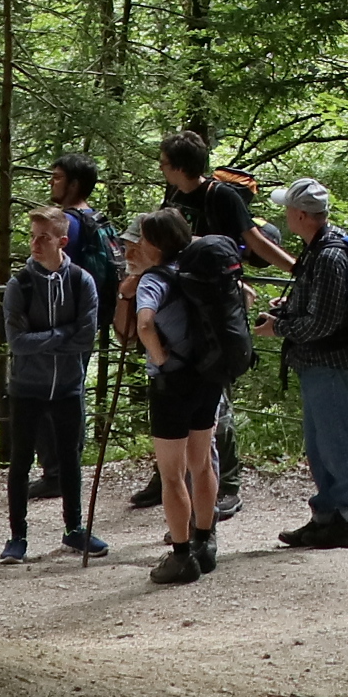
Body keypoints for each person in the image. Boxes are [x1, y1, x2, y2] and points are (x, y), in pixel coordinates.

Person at [131, 130, 289, 520]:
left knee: (216, 404)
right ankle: (169, 479)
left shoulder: (222, 196)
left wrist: (299, 268)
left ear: (180, 166)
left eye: (165, 163)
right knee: (185, 403)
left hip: (214, 311)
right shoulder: (174, 198)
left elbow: (254, 242)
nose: (162, 169)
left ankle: (226, 485)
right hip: (182, 301)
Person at [262, 177, 348, 549]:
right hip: (315, 362)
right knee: (320, 444)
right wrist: (287, 311)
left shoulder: (329, 255)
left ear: (302, 215)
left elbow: (325, 322)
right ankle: (326, 517)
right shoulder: (316, 249)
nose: (285, 214)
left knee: (338, 442)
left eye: (288, 209)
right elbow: (319, 308)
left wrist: (280, 327)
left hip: (332, 363)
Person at [0, 206, 109, 563]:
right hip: (26, 387)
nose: (35, 243)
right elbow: (17, 343)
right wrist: (63, 333)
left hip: (68, 386)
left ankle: (74, 529)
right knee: (20, 463)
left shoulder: (81, 281)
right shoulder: (20, 284)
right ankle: (17, 536)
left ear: (62, 241)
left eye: (43, 237)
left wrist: (47, 337)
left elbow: (86, 338)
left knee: (70, 460)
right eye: (32, 236)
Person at [126, 208, 221, 583]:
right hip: (207, 376)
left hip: (172, 383)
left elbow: (145, 323)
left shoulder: (154, 279)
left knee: (171, 474)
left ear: (156, 243)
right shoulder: (202, 268)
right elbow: (245, 297)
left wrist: (161, 356)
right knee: (201, 463)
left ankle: (181, 557)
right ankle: (204, 542)